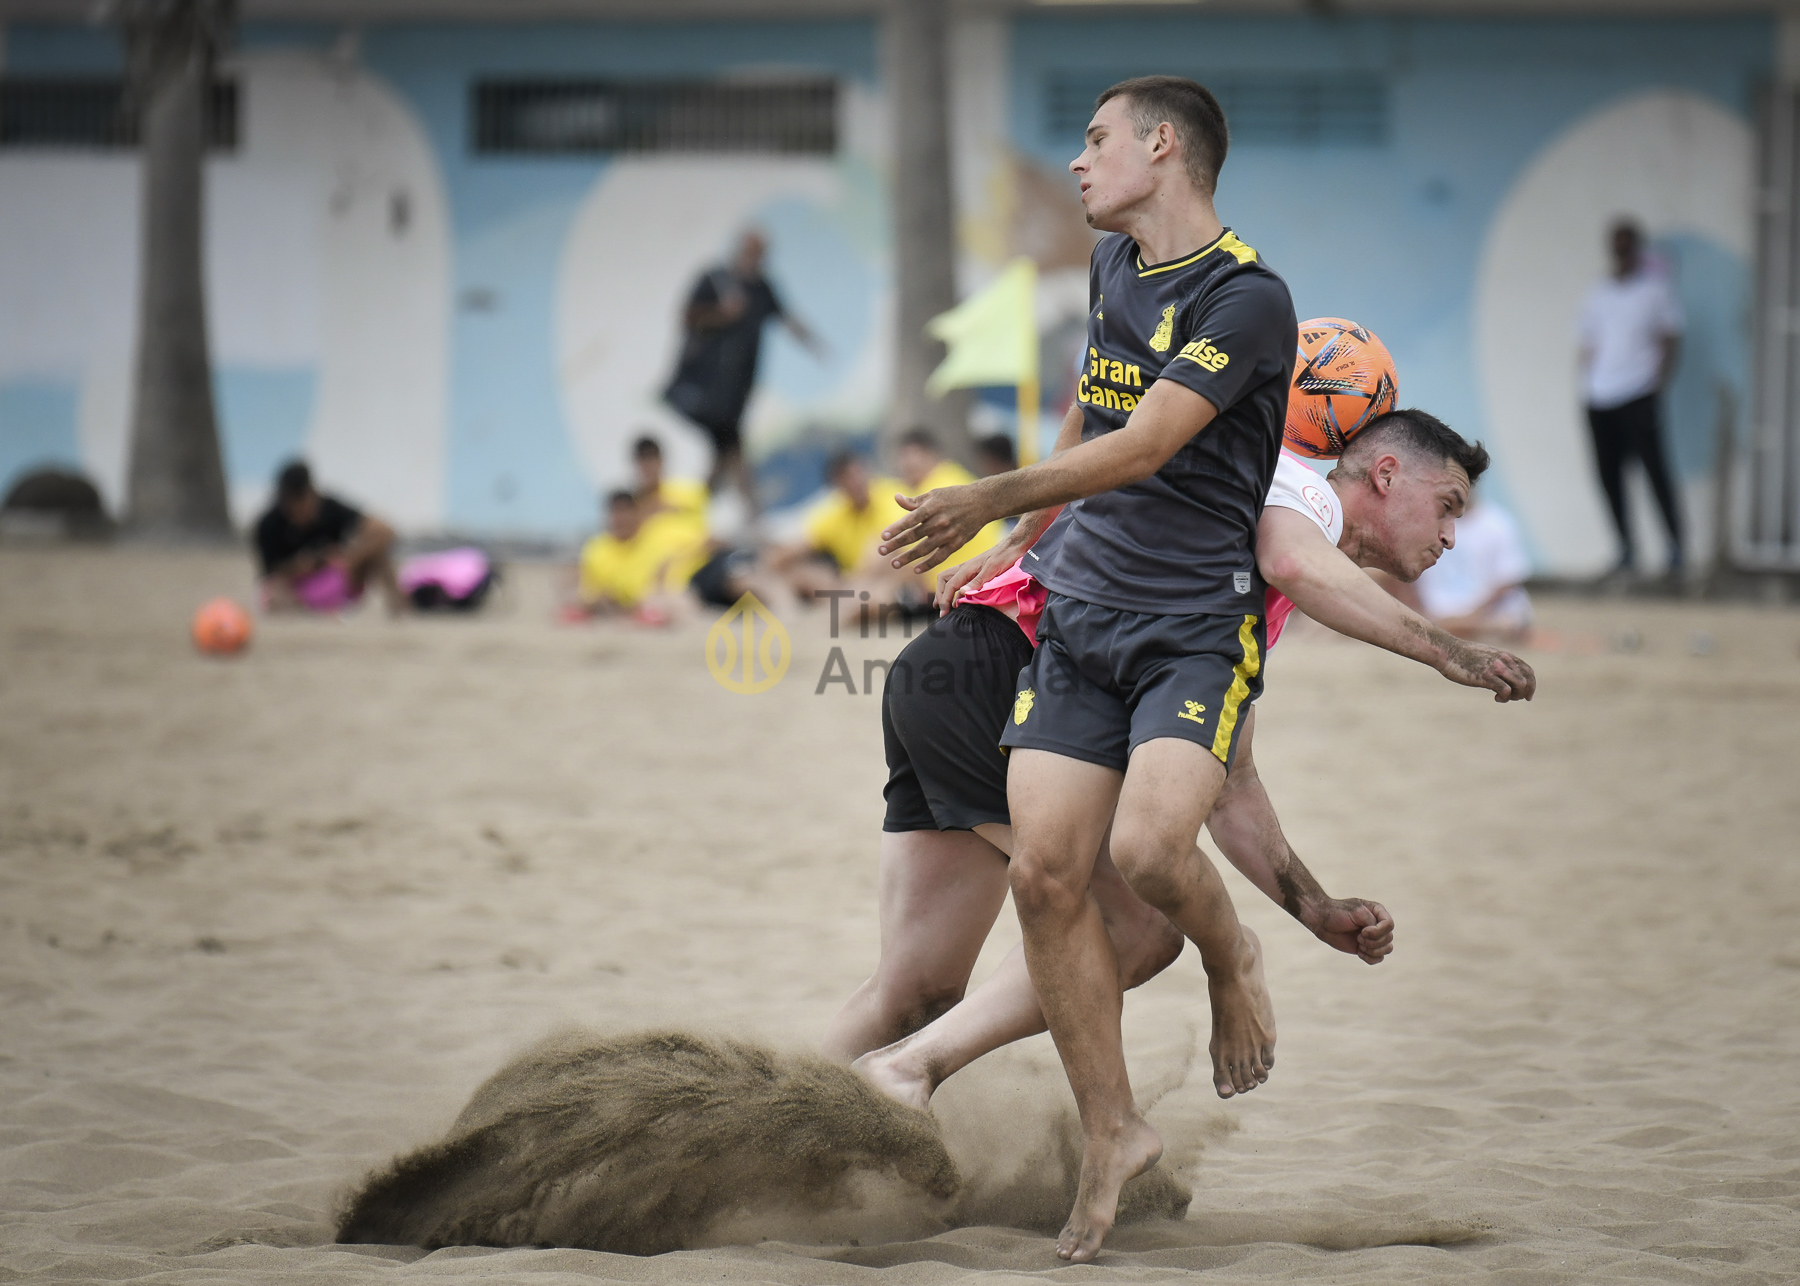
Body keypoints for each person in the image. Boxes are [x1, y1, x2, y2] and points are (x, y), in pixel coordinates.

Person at [875, 75, 1298, 1260]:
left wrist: (987, 493)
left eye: (1097, 138)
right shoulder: (1114, 264)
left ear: (1162, 147)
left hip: (1191, 627)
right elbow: (1095, 405)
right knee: (1045, 877)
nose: (1077, 159)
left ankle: (1233, 955)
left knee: (1151, 855)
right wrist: (1020, 537)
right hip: (1080, 621)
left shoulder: (1248, 299)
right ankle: (1112, 1127)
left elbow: (1150, 440)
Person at [832, 411, 1534, 1125]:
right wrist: (1452, 654)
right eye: (1447, 506)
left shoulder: (1247, 546)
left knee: (914, 992)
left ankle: (785, 1111)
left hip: (945, 670)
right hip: (1009, 676)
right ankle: (907, 1071)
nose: (1451, 535)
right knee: (1140, 927)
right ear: (1385, 476)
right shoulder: (1293, 495)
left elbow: (1232, 778)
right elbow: (1282, 554)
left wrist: (1314, 907)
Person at [663, 230, 823, 519]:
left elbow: (785, 316)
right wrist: (722, 313)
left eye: (760, 253)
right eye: (751, 251)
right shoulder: (716, 279)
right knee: (731, 446)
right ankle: (751, 513)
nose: (756, 258)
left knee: (726, 450)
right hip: (707, 388)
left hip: (738, 390)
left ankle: (695, 512)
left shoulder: (762, 287)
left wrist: (814, 344)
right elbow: (688, 316)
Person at [1579, 220, 1684, 577]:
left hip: (1639, 394)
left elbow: (1671, 339)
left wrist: (1657, 385)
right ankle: (1626, 550)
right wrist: (1587, 385)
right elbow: (1588, 345)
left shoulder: (1655, 290)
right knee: (1609, 476)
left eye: (1627, 247)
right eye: (1617, 247)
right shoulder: (1598, 292)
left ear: (1637, 248)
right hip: (1599, 398)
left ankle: (1675, 548)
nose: (1621, 254)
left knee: (1656, 472)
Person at [255, 461, 402, 614]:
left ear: (312, 494)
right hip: (296, 587)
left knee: (377, 549)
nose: (298, 513)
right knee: (274, 593)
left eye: (302, 504)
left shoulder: (329, 508)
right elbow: (268, 572)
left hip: (337, 578)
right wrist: (305, 564)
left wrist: (349, 558)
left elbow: (386, 531)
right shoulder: (269, 523)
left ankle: (400, 605)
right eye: (291, 508)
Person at [1399, 487, 1534, 641]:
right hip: (1436, 609)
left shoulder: (1498, 523)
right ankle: (1452, 627)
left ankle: (1446, 627)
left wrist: (1473, 614)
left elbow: (1509, 578)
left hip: (1484, 613)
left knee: (1508, 621)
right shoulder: (1424, 521)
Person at [573, 490, 709, 620]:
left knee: (674, 599)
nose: (622, 519)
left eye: (627, 512)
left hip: (662, 595)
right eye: (617, 512)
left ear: (638, 514)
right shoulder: (596, 549)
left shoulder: (656, 534)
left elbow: (708, 541)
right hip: (625, 605)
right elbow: (589, 594)